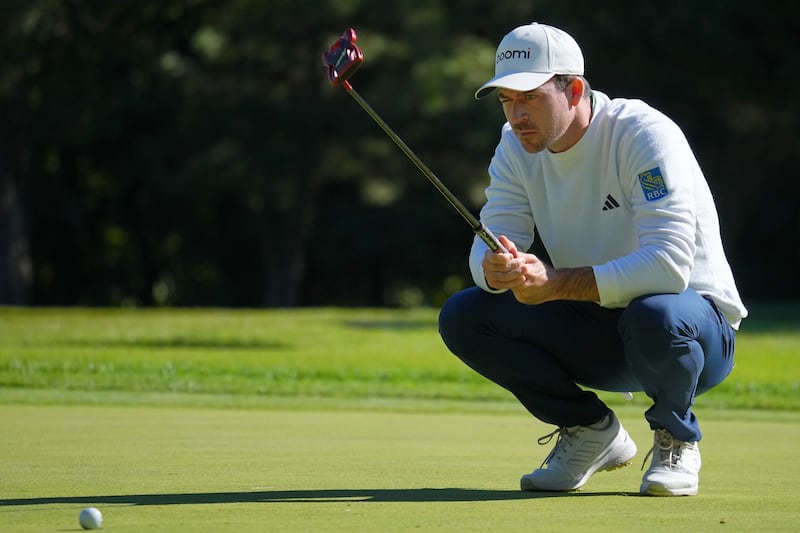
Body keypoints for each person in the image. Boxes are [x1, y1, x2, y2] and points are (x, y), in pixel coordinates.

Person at [438, 22, 747, 497]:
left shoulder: (642, 133)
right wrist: (496, 270)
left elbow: (668, 267)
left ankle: (675, 438)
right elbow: (493, 237)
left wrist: (555, 283)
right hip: (601, 329)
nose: (516, 114)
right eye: (506, 99)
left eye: (530, 97)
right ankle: (588, 432)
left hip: (694, 330)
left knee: (656, 309)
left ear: (575, 88)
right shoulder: (515, 146)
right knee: (466, 315)